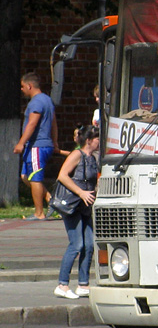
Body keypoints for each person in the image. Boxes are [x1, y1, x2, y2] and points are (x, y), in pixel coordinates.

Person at [54, 125, 99, 300]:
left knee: (89, 244)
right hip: (72, 205)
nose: (99, 142)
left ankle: (83, 284)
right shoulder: (77, 155)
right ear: (88, 140)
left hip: (85, 207)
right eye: (97, 139)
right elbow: (62, 176)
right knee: (76, 244)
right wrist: (81, 192)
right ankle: (62, 285)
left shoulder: (92, 158)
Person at [14, 72, 57, 220]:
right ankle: (51, 199)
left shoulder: (36, 102)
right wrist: (55, 142)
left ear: (29, 86)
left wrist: (20, 143)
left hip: (36, 145)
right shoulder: (47, 100)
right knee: (25, 176)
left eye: (22, 86)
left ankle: (39, 213)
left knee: (35, 178)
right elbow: (54, 124)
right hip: (39, 145)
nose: (21, 89)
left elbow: (32, 123)